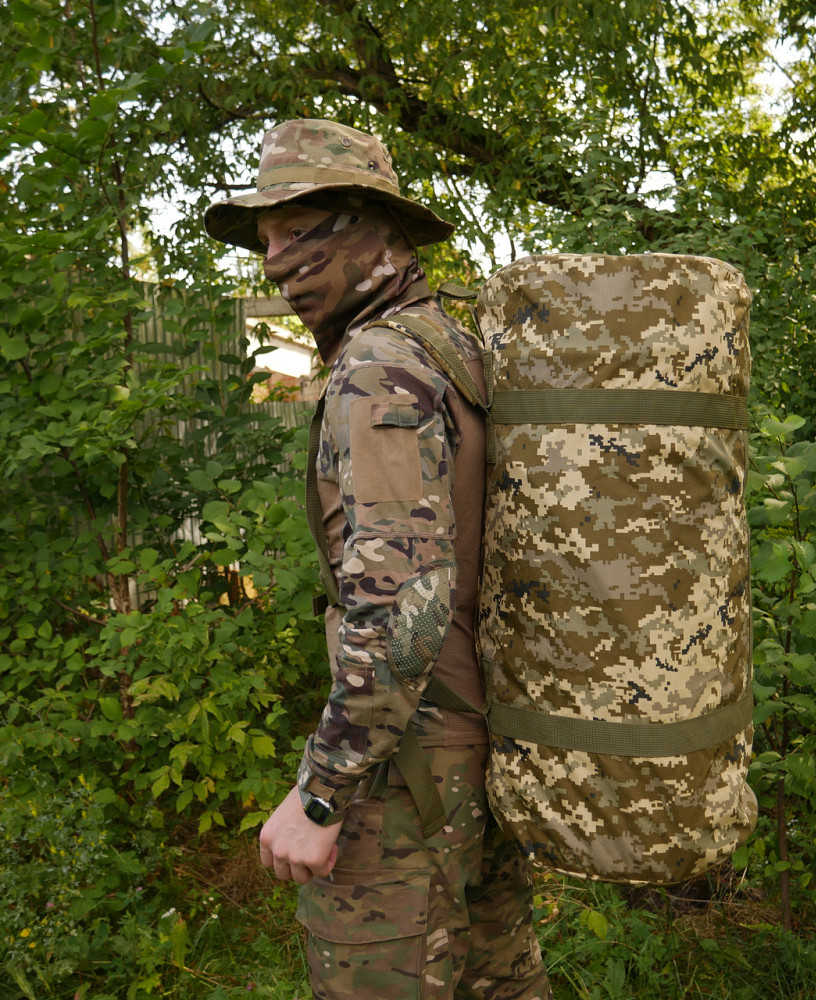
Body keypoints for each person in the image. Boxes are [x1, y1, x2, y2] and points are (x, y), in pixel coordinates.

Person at [204, 119, 552, 1000]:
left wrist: (323, 794)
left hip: (405, 774)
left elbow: (404, 602)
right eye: (265, 238)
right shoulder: (453, 349)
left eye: (294, 228)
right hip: (481, 749)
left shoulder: (378, 370)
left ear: (365, 222)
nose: (274, 260)